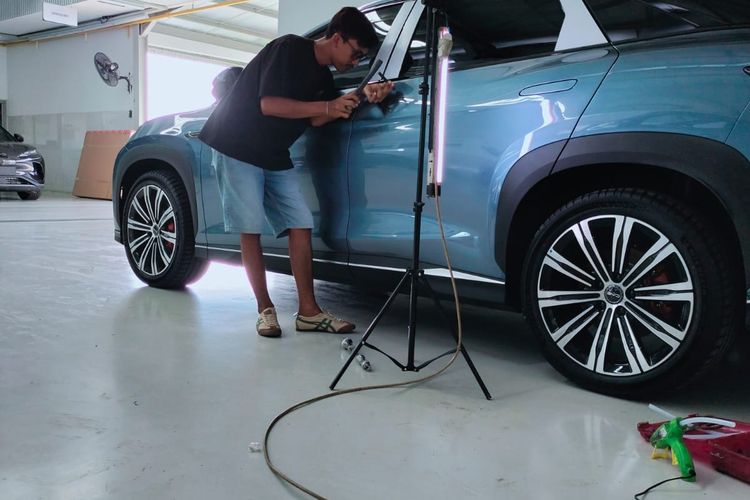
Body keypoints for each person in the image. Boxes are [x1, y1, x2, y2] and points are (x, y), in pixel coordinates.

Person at [199, 7, 394, 337]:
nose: (356, 61)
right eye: (356, 53)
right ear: (337, 38)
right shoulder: (289, 48)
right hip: (236, 144)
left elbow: (317, 118)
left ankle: (308, 312)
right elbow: (269, 104)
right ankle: (265, 310)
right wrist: (328, 106)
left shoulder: (324, 79)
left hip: (274, 152)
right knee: (250, 229)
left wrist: (364, 95)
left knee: (300, 223)